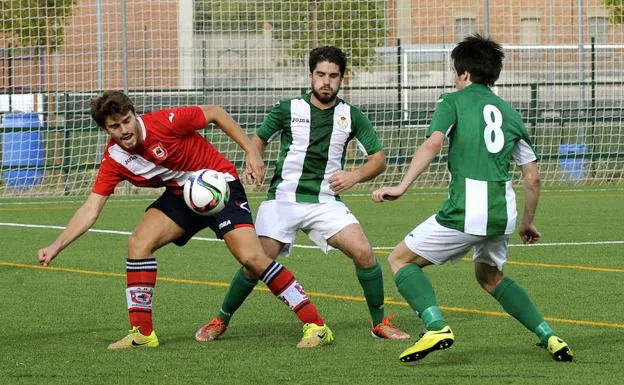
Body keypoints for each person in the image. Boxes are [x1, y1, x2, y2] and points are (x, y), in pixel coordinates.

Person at [36, 90, 333, 349]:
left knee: (253, 258)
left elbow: (215, 112)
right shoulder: (115, 159)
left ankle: (316, 326)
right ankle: (142, 333)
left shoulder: (166, 122)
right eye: (115, 126)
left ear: (133, 115)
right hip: (181, 195)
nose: (124, 130)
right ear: (106, 129)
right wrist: (56, 246)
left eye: (127, 121)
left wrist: (251, 150)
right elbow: (91, 208)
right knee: (138, 244)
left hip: (221, 184)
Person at [371, 34, 574, 362]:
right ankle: (549, 336)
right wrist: (528, 221)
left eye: (455, 72)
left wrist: (401, 185)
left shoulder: (451, 101)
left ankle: (435, 326)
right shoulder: (511, 113)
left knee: (400, 259)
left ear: (463, 73)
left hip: (467, 210)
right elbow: (533, 176)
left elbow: (433, 143)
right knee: (490, 277)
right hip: (501, 212)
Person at [195, 46, 410, 343]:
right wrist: (254, 160)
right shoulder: (288, 108)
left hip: (325, 201)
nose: (326, 82)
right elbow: (257, 141)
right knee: (254, 262)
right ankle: (221, 319)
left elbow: (378, 158)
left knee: (364, 252)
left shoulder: (351, 116)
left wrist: (355, 175)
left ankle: (379, 323)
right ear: (310, 76)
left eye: (333, 76)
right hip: (283, 199)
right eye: (320, 74)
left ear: (341, 80)